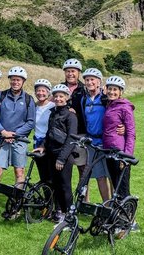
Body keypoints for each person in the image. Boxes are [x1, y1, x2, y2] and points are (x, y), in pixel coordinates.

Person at [0, 66, 36, 218]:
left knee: (19, 172)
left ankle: (16, 207)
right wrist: (3, 132)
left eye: (18, 80)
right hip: (1, 137)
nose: (15, 82)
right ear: (9, 80)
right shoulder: (0, 96)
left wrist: (15, 134)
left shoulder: (28, 99)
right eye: (13, 79)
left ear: (23, 82)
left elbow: (30, 122)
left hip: (19, 140)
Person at [33, 84, 78, 225]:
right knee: (55, 184)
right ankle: (59, 210)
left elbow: (71, 138)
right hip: (51, 153)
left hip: (63, 155)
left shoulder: (71, 115)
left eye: (61, 96)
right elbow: (49, 133)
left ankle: (69, 215)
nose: (58, 99)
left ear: (67, 98)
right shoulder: (53, 113)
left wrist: (62, 158)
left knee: (65, 185)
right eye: (56, 96)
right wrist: (42, 146)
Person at [102, 75, 138, 231]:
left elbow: (131, 133)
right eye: (109, 89)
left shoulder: (125, 107)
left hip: (120, 153)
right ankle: (119, 219)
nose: (112, 92)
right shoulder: (109, 105)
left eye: (115, 89)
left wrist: (127, 156)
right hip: (108, 151)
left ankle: (128, 223)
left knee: (122, 189)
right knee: (115, 187)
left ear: (121, 91)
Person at [81, 68, 110, 202]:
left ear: (99, 82)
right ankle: (106, 205)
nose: (89, 82)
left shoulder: (105, 98)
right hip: (92, 143)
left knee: (111, 176)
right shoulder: (84, 100)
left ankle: (115, 207)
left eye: (92, 79)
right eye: (87, 80)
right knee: (99, 176)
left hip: (106, 142)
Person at [60, 59, 88, 198]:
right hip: (62, 134)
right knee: (63, 167)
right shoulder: (59, 88)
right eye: (68, 71)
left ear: (78, 73)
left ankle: (84, 200)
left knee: (82, 168)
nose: (70, 74)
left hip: (79, 133)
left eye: (73, 71)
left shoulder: (84, 89)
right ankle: (66, 200)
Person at [33, 79, 55, 184]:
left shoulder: (53, 107)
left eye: (43, 91)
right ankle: (45, 199)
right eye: (38, 90)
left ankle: (53, 199)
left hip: (49, 143)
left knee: (51, 175)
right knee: (42, 174)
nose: (40, 93)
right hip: (36, 142)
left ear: (48, 92)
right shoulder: (33, 106)